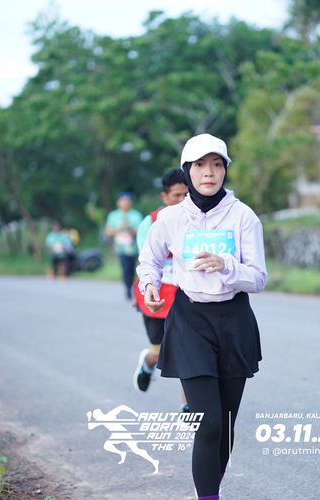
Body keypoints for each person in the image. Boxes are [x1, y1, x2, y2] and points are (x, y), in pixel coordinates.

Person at [137, 134, 266, 500]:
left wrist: (227, 265)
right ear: (187, 171)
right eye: (200, 165)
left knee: (225, 426)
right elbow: (149, 261)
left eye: (217, 164)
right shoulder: (170, 218)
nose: (209, 172)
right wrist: (149, 285)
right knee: (207, 422)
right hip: (190, 320)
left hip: (234, 321)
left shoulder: (243, 216)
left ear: (225, 169)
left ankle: (208, 490)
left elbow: (258, 278)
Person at [132, 168, 189, 404]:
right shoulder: (150, 222)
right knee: (159, 352)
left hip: (186, 298)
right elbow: (147, 261)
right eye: (177, 195)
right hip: (157, 298)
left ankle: (188, 406)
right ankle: (148, 363)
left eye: (186, 194)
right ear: (165, 197)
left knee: (190, 353)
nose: (182, 200)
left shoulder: (196, 220)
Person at [105, 193, 143, 299]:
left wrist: (130, 228)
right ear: (118, 203)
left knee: (132, 269)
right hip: (120, 248)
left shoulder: (136, 215)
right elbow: (108, 231)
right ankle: (127, 288)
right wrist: (119, 229)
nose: (125, 203)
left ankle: (132, 285)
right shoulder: (113, 215)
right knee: (125, 268)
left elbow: (141, 230)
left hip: (134, 248)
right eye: (123, 201)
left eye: (127, 201)